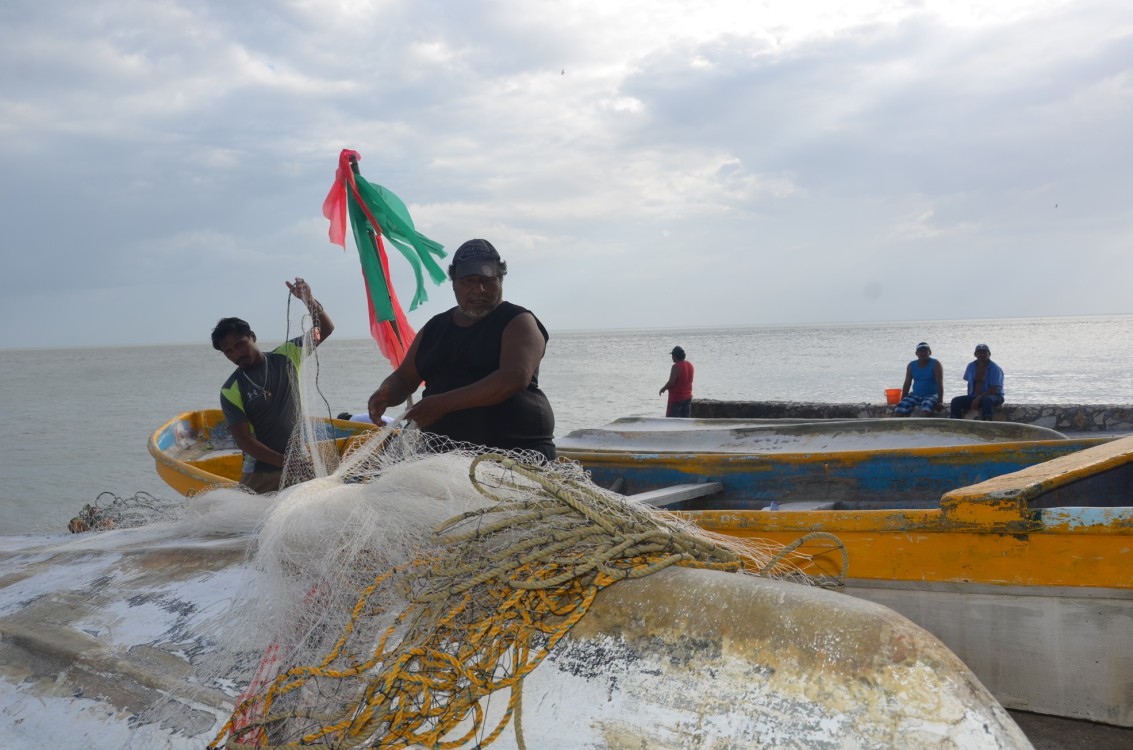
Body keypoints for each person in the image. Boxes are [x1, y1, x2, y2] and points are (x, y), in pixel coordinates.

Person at [366, 239, 556, 460]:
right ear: (454, 283)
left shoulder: (518, 321)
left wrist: (443, 404)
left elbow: (514, 378)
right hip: (441, 458)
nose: (479, 290)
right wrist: (385, 392)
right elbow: (405, 378)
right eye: (468, 281)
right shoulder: (435, 328)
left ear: (500, 279)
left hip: (515, 453)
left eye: (487, 280)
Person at [212, 278, 333, 493]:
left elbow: (324, 329)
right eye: (228, 351)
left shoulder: (286, 356)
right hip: (259, 474)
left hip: (299, 461)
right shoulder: (231, 390)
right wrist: (284, 462)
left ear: (253, 337)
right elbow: (244, 441)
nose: (236, 354)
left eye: (240, 345)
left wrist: (309, 300)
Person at [950, 344, 1005, 420]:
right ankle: (954, 422)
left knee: (987, 400)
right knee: (956, 401)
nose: (982, 355)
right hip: (975, 396)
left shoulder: (995, 369)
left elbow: (993, 389)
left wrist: (978, 398)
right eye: (979, 352)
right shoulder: (971, 366)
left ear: (989, 354)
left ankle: (987, 420)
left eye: (984, 352)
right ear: (975, 354)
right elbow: (969, 383)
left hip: (995, 396)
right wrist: (970, 397)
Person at [893, 342, 943, 416]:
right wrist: (903, 399)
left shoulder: (936, 364)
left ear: (930, 352)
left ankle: (925, 427)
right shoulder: (911, 365)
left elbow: (940, 383)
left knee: (926, 407)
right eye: (920, 351)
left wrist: (940, 401)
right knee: (899, 409)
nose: (923, 353)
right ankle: (898, 427)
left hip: (931, 395)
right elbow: (907, 384)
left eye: (925, 351)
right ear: (916, 353)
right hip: (915, 395)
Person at [659, 346, 695, 418]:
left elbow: (671, 382)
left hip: (676, 399)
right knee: (685, 422)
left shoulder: (676, 366)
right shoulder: (690, 365)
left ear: (675, 356)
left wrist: (663, 388)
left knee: (672, 422)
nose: (672, 357)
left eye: (672, 355)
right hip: (688, 397)